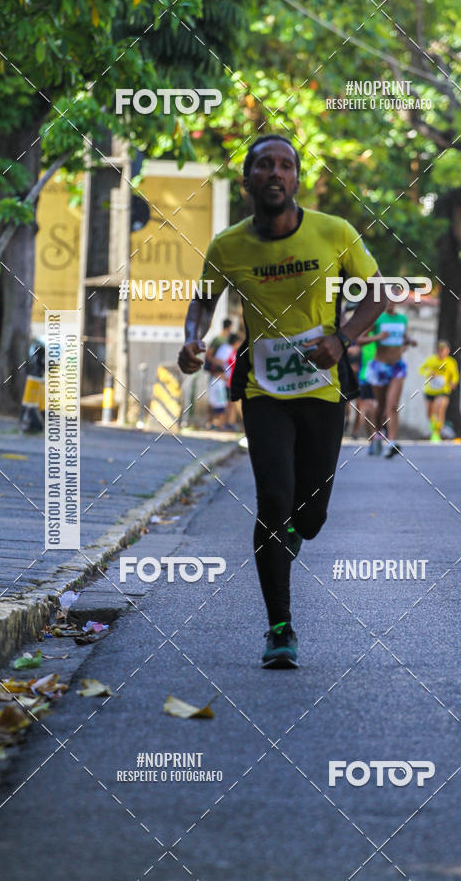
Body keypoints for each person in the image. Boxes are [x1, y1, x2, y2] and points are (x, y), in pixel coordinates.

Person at [178, 134, 385, 668]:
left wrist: (342, 340)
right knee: (274, 499)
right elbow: (202, 304)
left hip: (323, 388)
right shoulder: (228, 247)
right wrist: (192, 340)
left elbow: (379, 293)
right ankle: (279, 629)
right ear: (247, 181)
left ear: (296, 179)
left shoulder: (333, 232)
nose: (275, 173)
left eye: (285, 165)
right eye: (264, 165)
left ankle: (291, 532)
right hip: (263, 389)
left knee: (310, 516)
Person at [362, 299, 417, 457]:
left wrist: (408, 343)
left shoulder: (402, 319)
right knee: (380, 407)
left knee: (392, 405)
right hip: (379, 367)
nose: (390, 303)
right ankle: (378, 434)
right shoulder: (377, 318)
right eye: (387, 300)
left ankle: (391, 442)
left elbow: (404, 339)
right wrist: (377, 337)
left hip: (397, 367)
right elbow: (359, 340)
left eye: (393, 300)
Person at [418, 341, 459, 441]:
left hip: (443, 390)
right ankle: (434, 430)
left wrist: (453, 382)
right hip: (430, 390)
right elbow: (421, 369)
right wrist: (428, 373)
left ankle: (437, 432)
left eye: (443, 350)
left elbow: (455, 375)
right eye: (439, 350)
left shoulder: (451, 362)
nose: (441, 352)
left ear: (447, 351)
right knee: (430, 413)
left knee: (439, 407)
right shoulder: (431, 360)